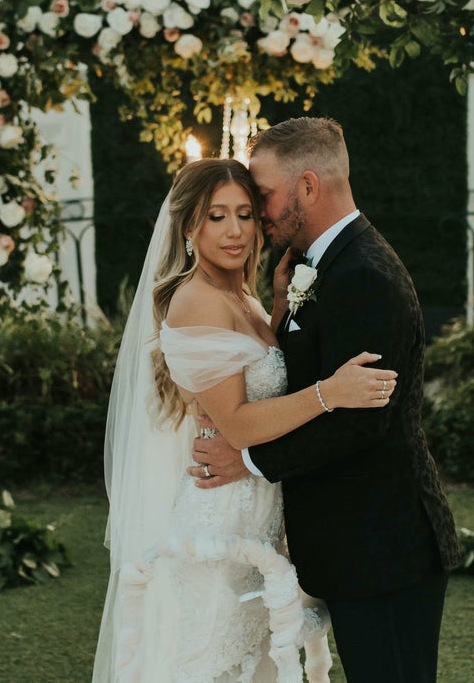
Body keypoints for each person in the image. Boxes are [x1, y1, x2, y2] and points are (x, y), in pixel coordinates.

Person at [93, 158, 397, 682]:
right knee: (212, 657)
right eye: (216, 217)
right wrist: (330, 393)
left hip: (259, 508)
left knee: (256, 656)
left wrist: (276, 308)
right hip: (222, 518)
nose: (235, 231)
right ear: (188, 227)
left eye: (245, 214)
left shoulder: (241, 295)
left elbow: (258, 374)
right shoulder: (195, 301)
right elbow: (235, 424)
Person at [190, 118, 461, 682]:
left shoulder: (364, 274)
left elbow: (361, 424)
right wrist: (283, 308)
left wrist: (249, 461)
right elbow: (304, 376)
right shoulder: (320, 267)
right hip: (354, 545)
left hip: (384, 546)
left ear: (308, 187)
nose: (257, 211)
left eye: (263, 195)